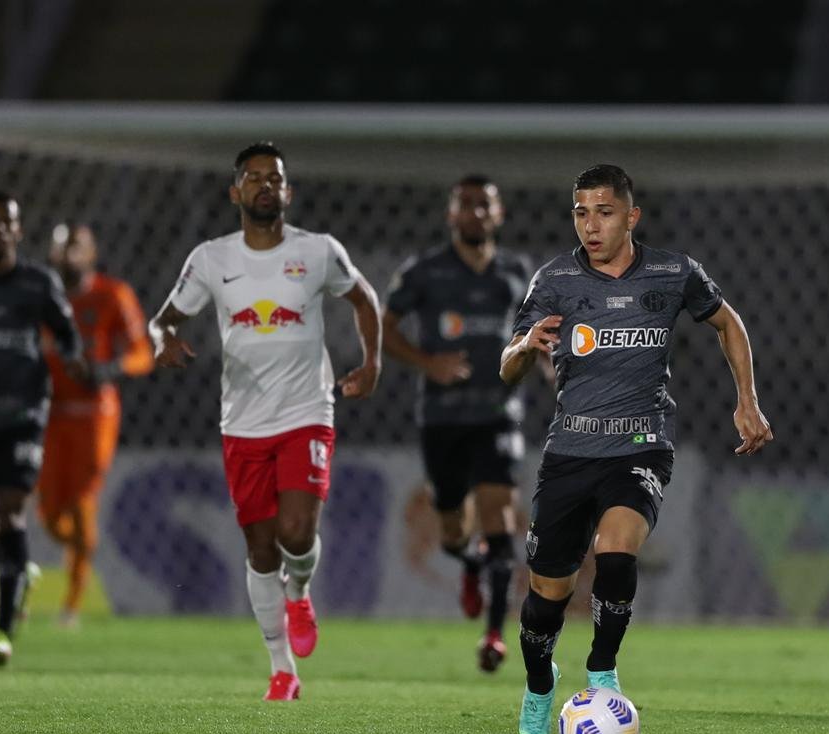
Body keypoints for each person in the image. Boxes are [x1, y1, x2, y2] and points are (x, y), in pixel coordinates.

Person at [500, 164, 773, 734]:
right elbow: (508, 364)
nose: (590, 226)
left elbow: (728, 323)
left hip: (641, 445)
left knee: (617, 554)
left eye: (603, 212)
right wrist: (524, 346)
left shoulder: (674, 273)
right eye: (580, 212)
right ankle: (540, 685)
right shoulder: (553, 282)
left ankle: (602, 667)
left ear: (631, 216)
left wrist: (747, 401)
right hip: (570, 452)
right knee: (546, 600)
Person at [149, 142, 382, 701]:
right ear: (235, 192)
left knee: (297, 533)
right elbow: (163, 319)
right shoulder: (211, 259)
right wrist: (163, 341)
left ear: (288, 191)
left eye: (273, 178)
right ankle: (282, 670)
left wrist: (372, 363)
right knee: (260, 549)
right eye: (253, 178)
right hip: (243, 422)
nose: (264, 185)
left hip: (307, 410)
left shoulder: (319, 251)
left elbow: (365, 299)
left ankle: (299, 591)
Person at [383, 175, 535, 672]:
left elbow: (535, 333)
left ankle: (493, 635)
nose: (475, 213)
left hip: (498, 413)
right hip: (444, 417)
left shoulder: (517, 272)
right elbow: (384, 328)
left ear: (500, 213)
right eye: (465, 205)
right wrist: (429, 363)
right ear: (451, 215)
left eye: (483, 205)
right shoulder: (425, 272)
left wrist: (554, 369)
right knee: (452, 530)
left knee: (500, 514)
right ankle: (472, 565)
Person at [0, 192, 82, 666]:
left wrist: (72, 357)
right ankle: (19, 573)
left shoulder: (37, 283)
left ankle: (3, 630)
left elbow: (67, 333)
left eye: (4, 223)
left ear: (18, 231)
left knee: (11, 512)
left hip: (23, 415)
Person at [38, 222, 154, 627]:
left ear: (91, 253)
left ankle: (70, 606)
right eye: (61, 247)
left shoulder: (112, 295)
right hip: (50, 413)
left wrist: (110, 369)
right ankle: (84, 547)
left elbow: (143, 353)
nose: (69, 255)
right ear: (51, 254)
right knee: (50, 515)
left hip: (93, 414)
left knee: (84, 501)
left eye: (76, 247)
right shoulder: (40, 297)